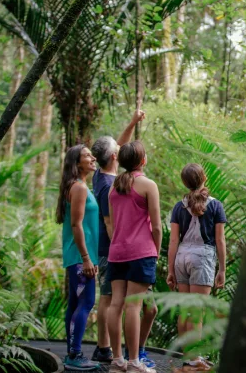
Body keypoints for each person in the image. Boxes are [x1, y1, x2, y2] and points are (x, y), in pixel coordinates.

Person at [90, 111, 157, 369]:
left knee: (114, 301)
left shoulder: (105, 177)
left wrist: (132, 122)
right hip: (121, 248)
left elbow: (120, 149)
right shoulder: (116, 185)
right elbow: (111, 223)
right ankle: (117, 353)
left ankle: (113, 354)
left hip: (116, 249)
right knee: (118, 302)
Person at [106, 141, 161, 373]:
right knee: (133, 306)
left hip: (116, 252)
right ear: (143, 160)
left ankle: (117, 360)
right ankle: (135, 363)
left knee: (116, 304)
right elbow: (157, 227)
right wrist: (155, 252)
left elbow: (114, 221)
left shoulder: (113, 188)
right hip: (141, 252)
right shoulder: (148, 185)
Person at [166, 164, 227, 370]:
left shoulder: (178, 206)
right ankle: (194, 357)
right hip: (202, 258)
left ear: (185, 183)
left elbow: (173, 241)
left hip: (181, 256)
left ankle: (188, 356)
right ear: (204, 178)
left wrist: (171, 269)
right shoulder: (215, 206)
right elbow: (220, 240)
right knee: (197, 312)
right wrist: (222, 270)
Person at [57, 145, 100, 371]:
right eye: (87, 156)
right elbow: (76, 224)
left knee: (75, 304)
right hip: (79, 256)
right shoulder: (79, 188)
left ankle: (72, 353)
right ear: (77, 162)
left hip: (80, 256)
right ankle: (75, 354)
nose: (92, 158)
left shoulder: (79, 186)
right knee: (86, 302)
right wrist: (86, 258)